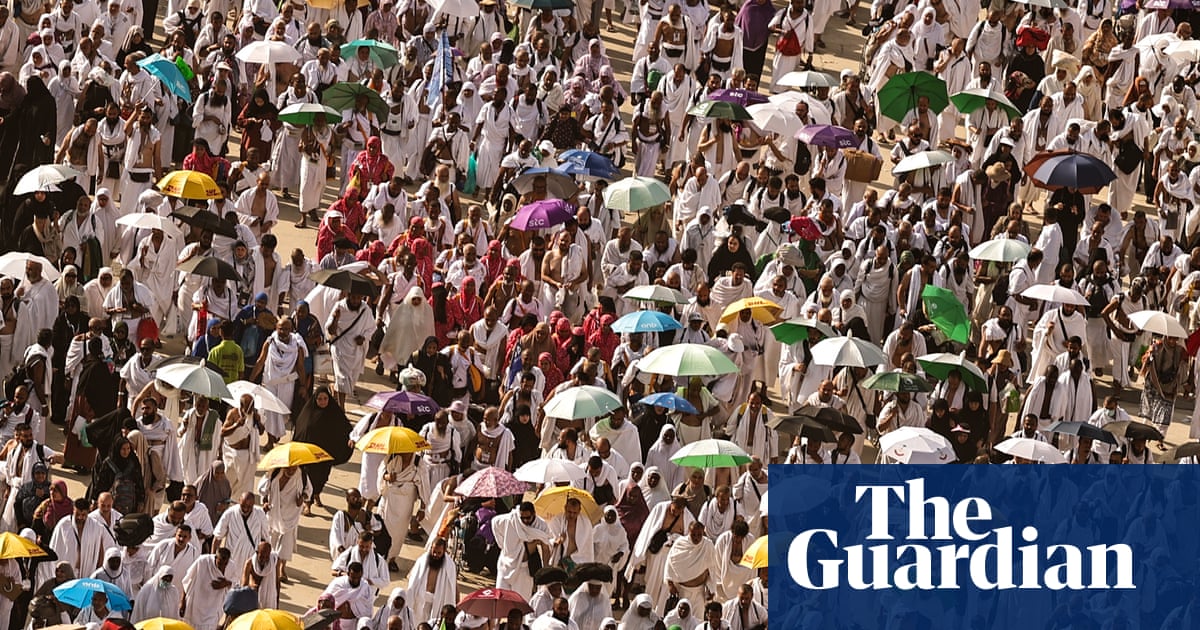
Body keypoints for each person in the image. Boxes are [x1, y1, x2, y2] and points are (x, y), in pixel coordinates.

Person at [291, 387, 352, 509]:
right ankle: (308, 503)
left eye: (325, 399)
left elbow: (346, 429)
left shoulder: (334, 412)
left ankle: (317, 494)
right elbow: (301, 430)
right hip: (310, 456)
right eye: (320, 399)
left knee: (322, 478)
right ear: (315, 399)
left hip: (325, 456)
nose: (323, 402)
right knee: (309, 478)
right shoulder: (308, 413)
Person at [257, 465, 310, 581]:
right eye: (288, 469)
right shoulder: (273, 473)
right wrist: (265, 502)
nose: (291, 471)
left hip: (291, 514)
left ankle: (281, 568)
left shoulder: (301, 475)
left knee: (286, 542)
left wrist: (302, 498)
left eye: (294, 469)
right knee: (271, 540)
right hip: (273, 512)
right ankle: (268, 565)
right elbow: (262, 490)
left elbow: (308, 490)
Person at [212, 492, 268, 577]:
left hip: (251, 561)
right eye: (243, 505)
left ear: (253, 504)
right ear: (239, 501)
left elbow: (265, 539)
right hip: (231, 561)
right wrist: (213, 560)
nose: (245, 509)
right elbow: (217, 538)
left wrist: (264, 561)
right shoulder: (230, 513)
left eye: (249, 507)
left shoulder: (260, 514)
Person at [404, 537, 459, 623]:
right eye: (434, 552)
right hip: (420, 600)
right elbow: (412, 579)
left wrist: (456, 606)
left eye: (439, 553)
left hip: (438, 601)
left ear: (444, 551)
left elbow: (453, 586)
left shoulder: (450, 566)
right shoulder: (421, 561)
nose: (436, 555)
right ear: (431, 549)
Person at [181, 548, 236, 630]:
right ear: (216, 557)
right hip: (196, 605)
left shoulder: (231, 566)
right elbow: (187, 581)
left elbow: (236, 583)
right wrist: (182, 602)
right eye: (220, 563)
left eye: (225, 563)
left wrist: (226, 583)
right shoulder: (202, 561)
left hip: (214, 608)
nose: (222, 566)